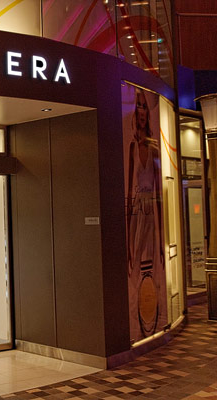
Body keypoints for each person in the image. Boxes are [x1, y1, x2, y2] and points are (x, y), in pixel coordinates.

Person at [125, 88, 165, 338]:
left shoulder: (154, 149)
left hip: (151, 211)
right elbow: (129, 190)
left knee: (150, 266)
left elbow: (159, 192)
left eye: (143, 106)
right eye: (138, 105)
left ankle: (151, 319)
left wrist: (162, 239)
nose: (141, 111)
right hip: (137, 210)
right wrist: (128, 235)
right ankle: (136, 322)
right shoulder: (132, 147)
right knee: (136, 263)